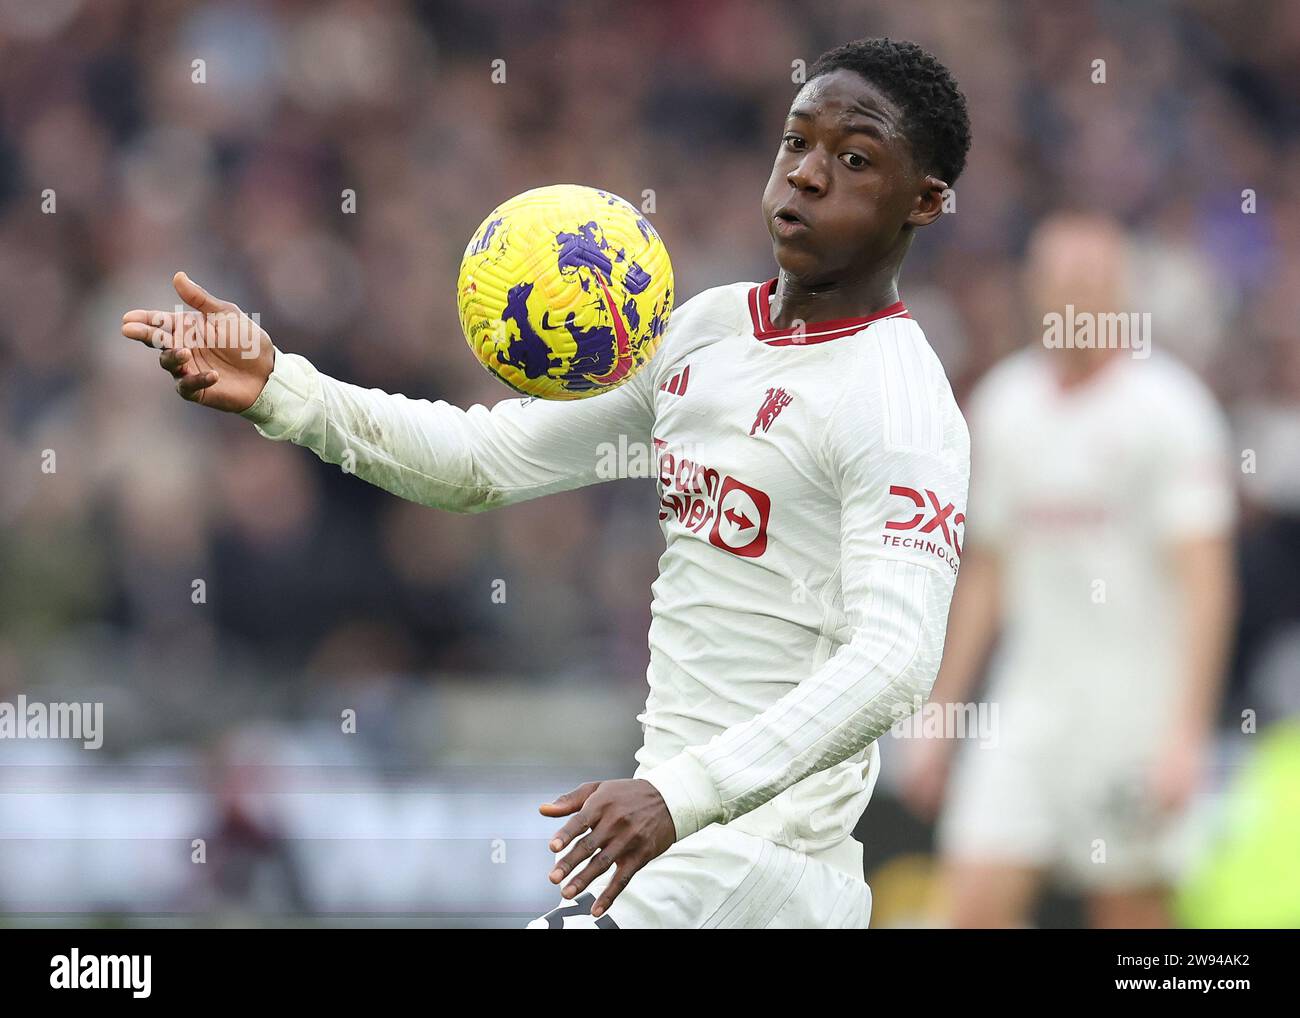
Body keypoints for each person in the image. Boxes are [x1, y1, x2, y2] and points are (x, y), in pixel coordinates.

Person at [121, 37, 972, 929]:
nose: (805, 174)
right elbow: (483, 463)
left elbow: (895, 660)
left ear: (925, 200)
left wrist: (682, 792)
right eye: (796, 142)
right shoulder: (708, 334)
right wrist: (287, 392)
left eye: (854, 158)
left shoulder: (900, 406)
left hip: (755, 860)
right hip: (686, 855)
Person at [905, 213, 1237, 928]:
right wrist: (943, 709)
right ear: (1033, 290)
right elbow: (988, 573)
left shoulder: (1169, 410)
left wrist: (1185, 733)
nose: (1074, 299)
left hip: (1133, 714)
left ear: (1121, 292)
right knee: (972, 900)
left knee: (1130, 915)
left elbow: (1206, 584)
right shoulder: (1005, 403)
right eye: (1059, 281)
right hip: (1027, 705)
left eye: (1090, 281)